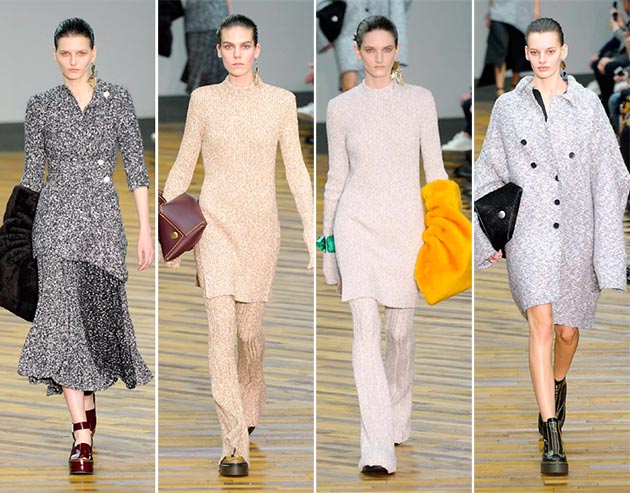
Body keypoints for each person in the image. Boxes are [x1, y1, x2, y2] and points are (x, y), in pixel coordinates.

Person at [474, 18, 630, 476]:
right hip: (530, 230)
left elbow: (611, 172)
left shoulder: (588, 105)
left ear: (564, 51)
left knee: (566, 331)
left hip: (577, 230)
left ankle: (558, 384)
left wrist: (608, 239)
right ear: (526, 53)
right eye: (535, 52)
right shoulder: (507, 108)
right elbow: (488, 171)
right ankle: (551, 433)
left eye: (550, 51)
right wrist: (492, 235)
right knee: (540, 325)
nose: (542, 60)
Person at [161, 14, 314, 477]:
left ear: (257, 49)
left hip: (261, 230)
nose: (236, 54)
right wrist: (170, 233)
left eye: (244, 45)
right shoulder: (204, 100)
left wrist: (311, 232)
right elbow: (184, 163)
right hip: (215, 228)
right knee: (220, 332)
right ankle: (233, 443)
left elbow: (296, 171)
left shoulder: (281, 102)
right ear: (219, 51)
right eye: (228, 46)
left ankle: (253, 390)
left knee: (249, 335)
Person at [17, 18, 154, 475]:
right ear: (55, 55)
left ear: (94, 53)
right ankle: (80, 435)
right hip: (54, 225)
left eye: (81, 52)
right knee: (62, 323)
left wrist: (145, 229)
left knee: (93, 322)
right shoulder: (40, 106)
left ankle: (86, 407)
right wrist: (14, 236)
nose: (73, 61)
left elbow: (135, 168)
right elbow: (32, 176)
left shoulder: (118, 99)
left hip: (102, 226)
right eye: (65, 53)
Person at [322, 15, 448, 475]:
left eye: (386, 49)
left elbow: (436, 171)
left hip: (406, 230)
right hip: (356, 225)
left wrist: (446, 233)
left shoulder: (420, 101)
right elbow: (336, 179)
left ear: (397, 51)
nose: (378, 58)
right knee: (365, 329)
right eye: (370, 50)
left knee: (399, 334)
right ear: (357, 51)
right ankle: (376, 446)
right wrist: (328, 247)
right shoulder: (340, 107)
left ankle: (397, 413)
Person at [478, 0, 540, 96]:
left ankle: (514, 87)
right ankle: (500, 90)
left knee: (518, 50)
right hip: (498, 12)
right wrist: (490, 11)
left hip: (521, 12)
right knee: (499, 48)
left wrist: (536, 9)